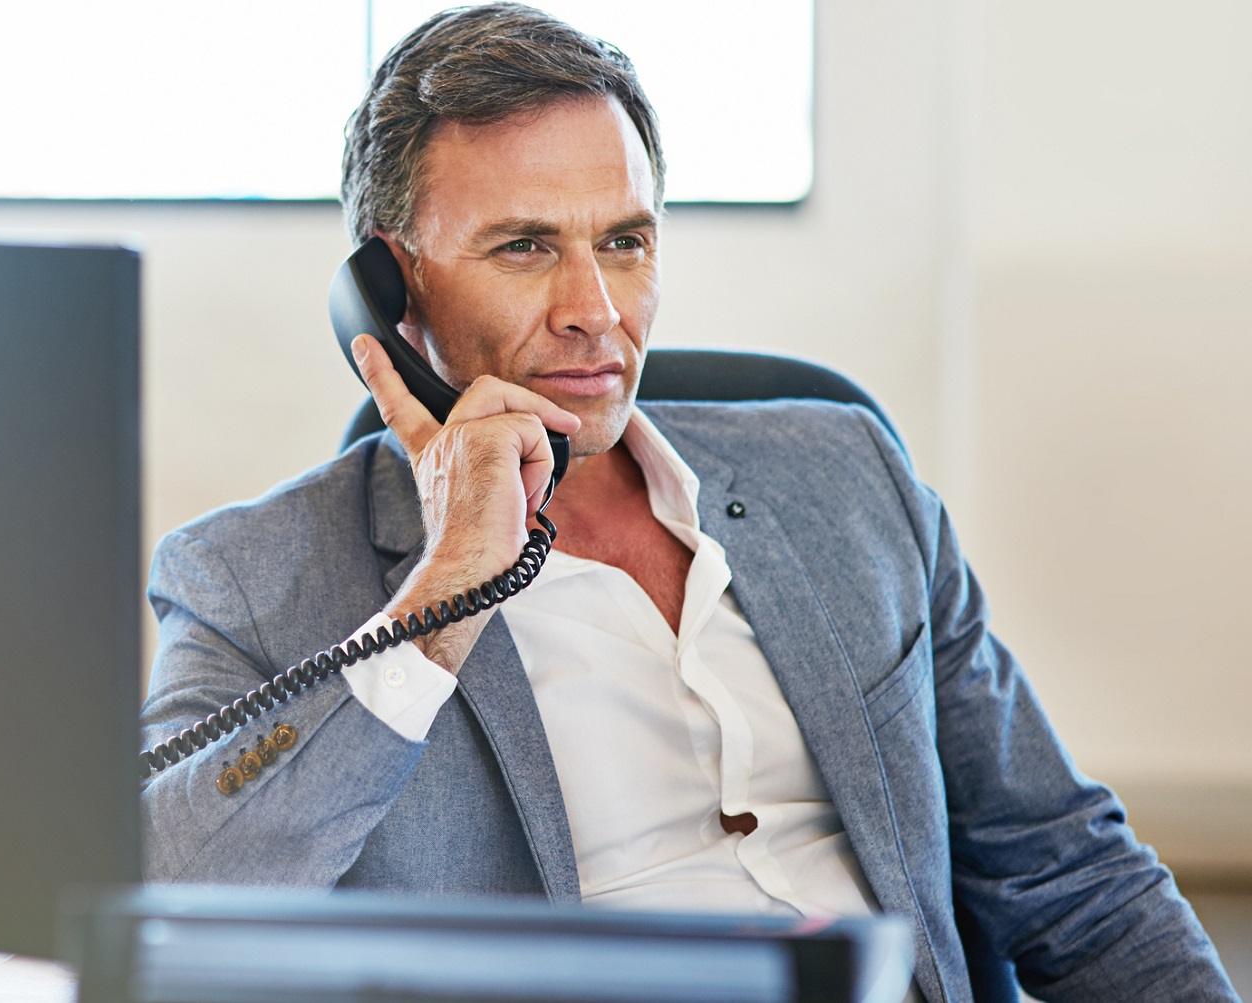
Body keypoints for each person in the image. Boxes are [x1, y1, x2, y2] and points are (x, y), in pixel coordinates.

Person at [136, 4, 1237, 1000]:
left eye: (626, 240)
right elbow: (165, 894)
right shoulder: (252, 573)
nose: (596, 311)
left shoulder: (849, 476)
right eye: (525, 247)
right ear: (391, 287)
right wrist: (443, 601)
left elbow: (1072, 869)